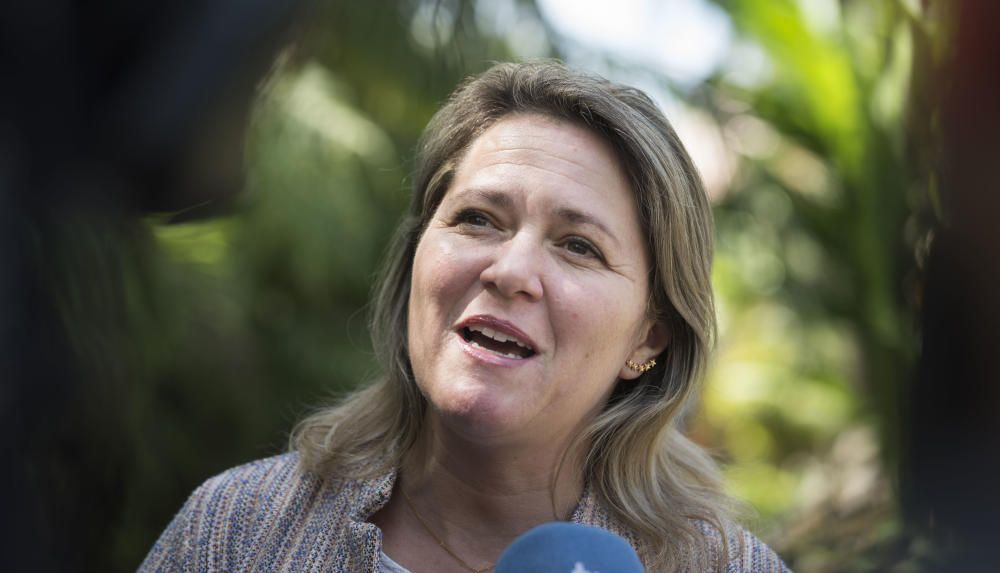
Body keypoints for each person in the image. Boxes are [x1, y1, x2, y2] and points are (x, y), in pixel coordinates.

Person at [139, 61, 790, 573]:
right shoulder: (238, 529)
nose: (509, 270)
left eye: (578, 245)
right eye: (477, 218)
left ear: (649, 337)